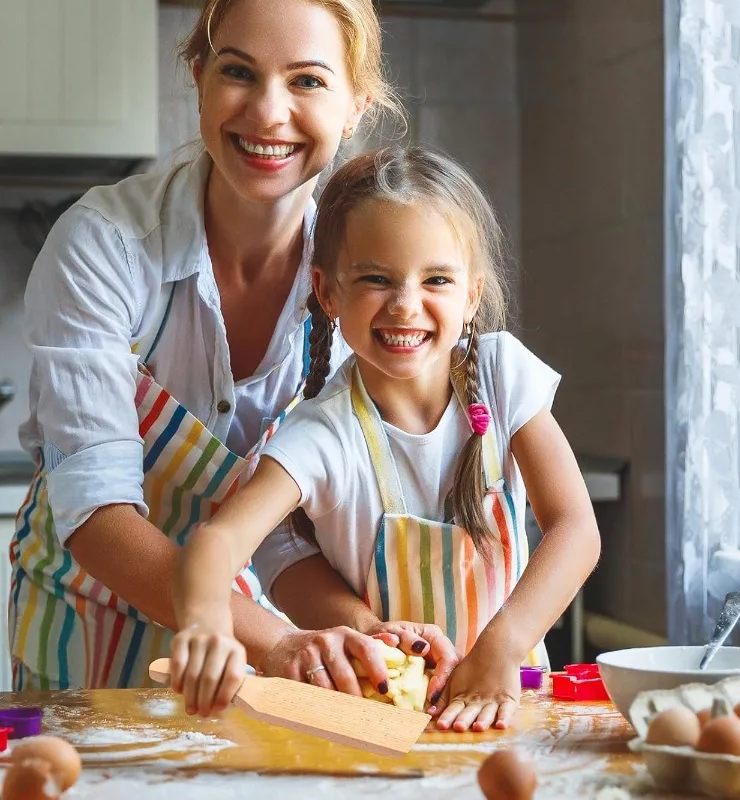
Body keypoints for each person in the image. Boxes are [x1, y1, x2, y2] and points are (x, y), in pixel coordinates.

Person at [9, 0, 457, 695]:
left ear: (357, 106)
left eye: (308, 81)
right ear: (198, 79)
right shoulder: (105, 245)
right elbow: (97, 517)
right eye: (238, 71)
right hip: (82, 637)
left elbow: (288, 533)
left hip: (248, 644)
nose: (267, 112)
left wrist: (357, 634)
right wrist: (281, 644)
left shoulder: (364, 274)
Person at [169, 146, 602, 732]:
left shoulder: (501, 376)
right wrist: (203, 621)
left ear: (471, 294)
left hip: (506, 702)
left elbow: (575, 527)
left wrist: (503, 644)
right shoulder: (324, 433)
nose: (405, 305)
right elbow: (219, 542)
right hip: (374, 722)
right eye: (376, 278)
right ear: (327, 292)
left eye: (436, 279)